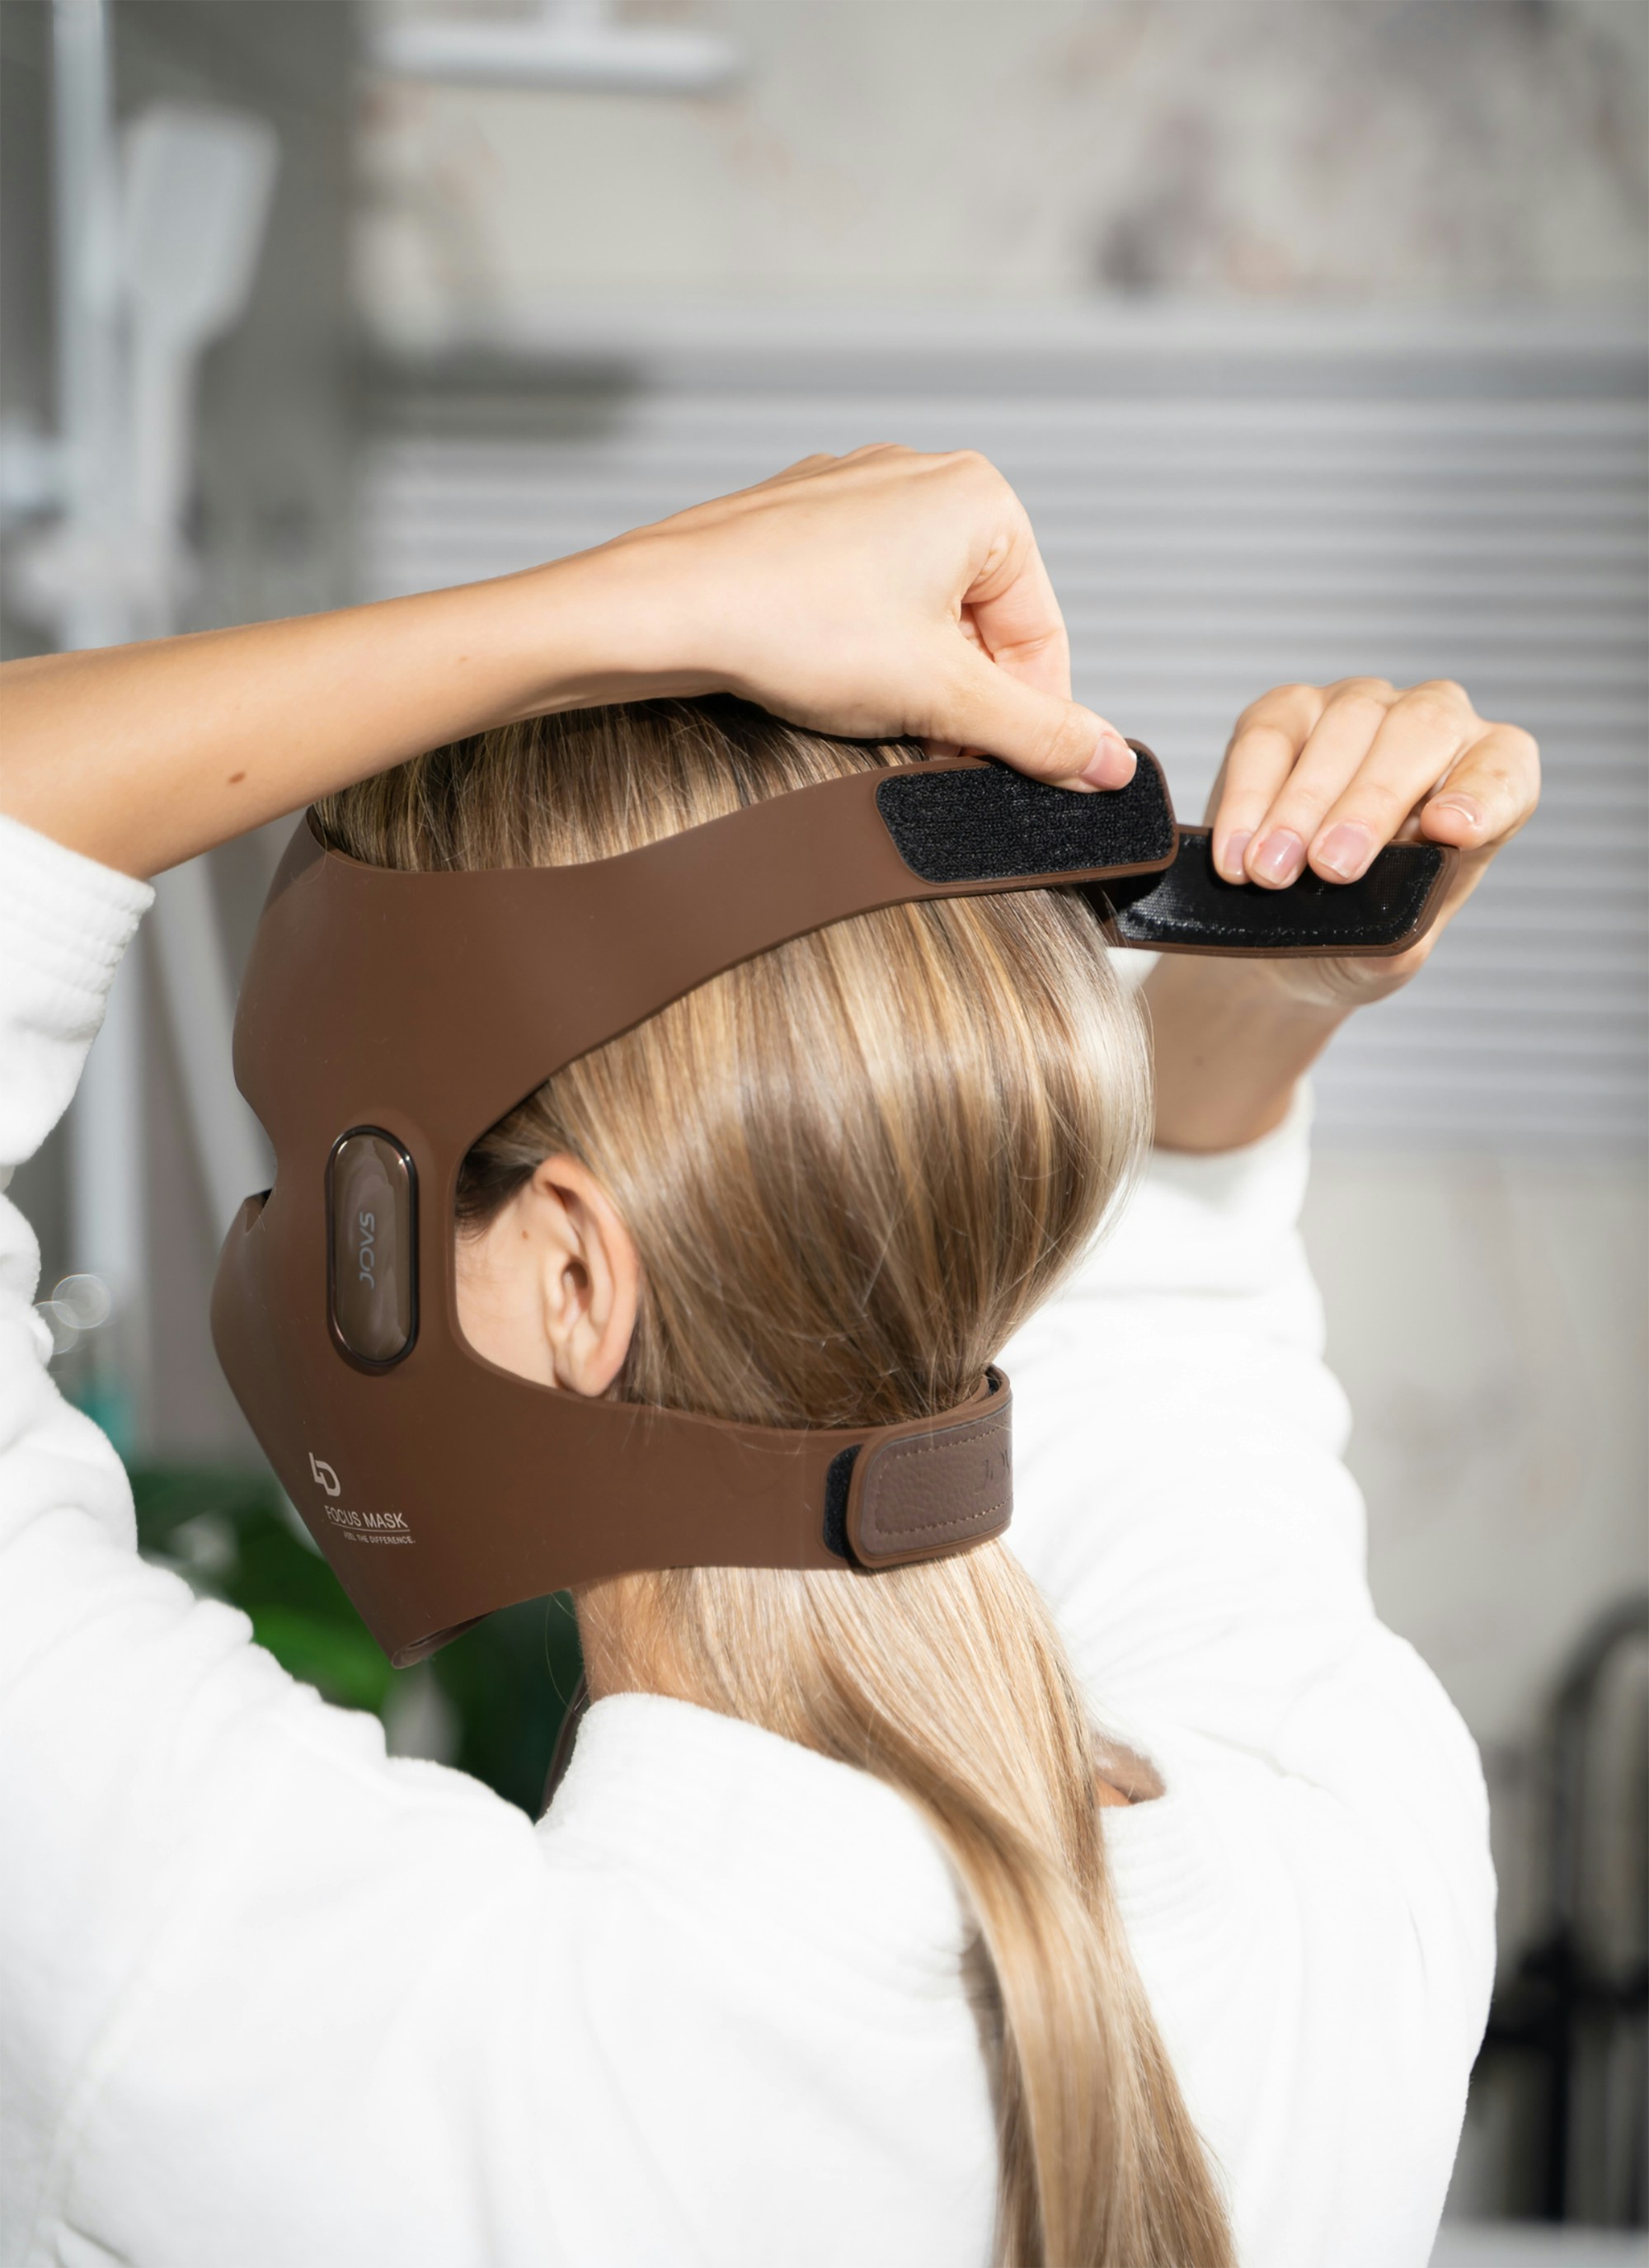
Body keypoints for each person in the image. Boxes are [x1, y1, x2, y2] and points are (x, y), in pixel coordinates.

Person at [0, 449, 1537, 2268]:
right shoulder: (1348, 1869)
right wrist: (1270, 985)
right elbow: (1179, 1328)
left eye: (319, 1173)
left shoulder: (343, 2028)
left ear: (577, 1276)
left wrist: (617, 603)